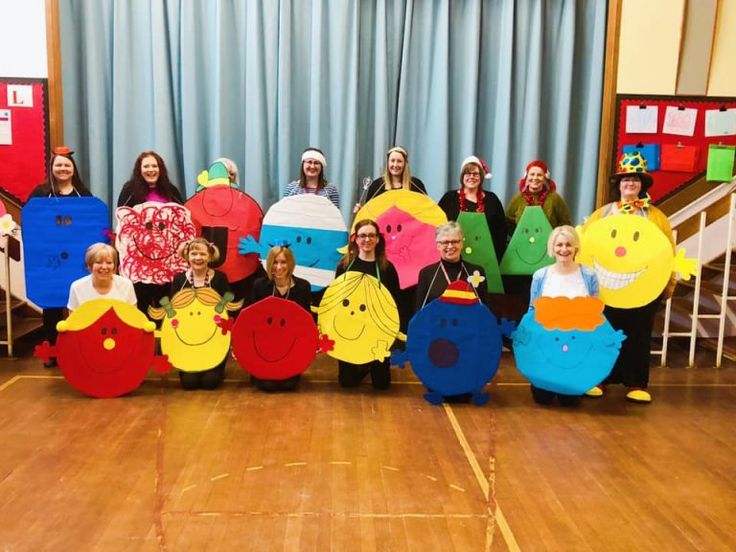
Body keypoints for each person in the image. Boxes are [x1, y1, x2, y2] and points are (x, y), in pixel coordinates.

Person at [583, 152, 675, 404]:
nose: (630, 184)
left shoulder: (655, 216)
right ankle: (599, 378)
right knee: (602, 332)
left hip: (642, 287)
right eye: (625, 179)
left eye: (635, 179)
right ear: (619, 185)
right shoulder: (602, 214)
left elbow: (668, 252)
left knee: (638, 334)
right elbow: (585, 248)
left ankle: (636, 382)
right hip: (606, 287)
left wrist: (668, 284)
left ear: (642, 184)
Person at [28, 146, 93, 368]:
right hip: (51, 259)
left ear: (73, 169)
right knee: (52, 305)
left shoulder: (83, 194)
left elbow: (91, 223)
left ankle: (80, 347)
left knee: (80, 302)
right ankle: (53, 350)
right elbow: (31, 222)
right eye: (59, 165)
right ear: (52, 168)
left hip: (77, 258)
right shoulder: (40, 193)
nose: (63, 169)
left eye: (67, 165)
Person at [527, 226, 599, 407]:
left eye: (568, 244)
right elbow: (532, 309)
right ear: (552, 247)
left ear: (576, 248)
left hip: (576, 342)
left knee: (569, 401)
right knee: (542, 399)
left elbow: (595, 310)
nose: (564, 249)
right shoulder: (540, 276)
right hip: (547, 342)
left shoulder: (589, 275)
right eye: (559, 245)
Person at [334, 219, 401, 390]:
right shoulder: (345, 266)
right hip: (350, 327)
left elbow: (394, 302)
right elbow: (336, 298)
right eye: (363, 235)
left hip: (377, 330)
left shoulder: (387, 268)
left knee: (381, 385)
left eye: (372, 235)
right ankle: (363, 366)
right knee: (347, 382)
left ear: (378, 239)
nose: (367, 240)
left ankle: (372, 364)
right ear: (355, 239)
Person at [168, 238, 241, 390]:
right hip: (187, 340)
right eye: (194, 253)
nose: (198, 258)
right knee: (189, 383)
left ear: (210, 256)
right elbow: (173, 311)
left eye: (203, 253)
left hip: (214, 338)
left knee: (210, 382)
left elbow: (230, 306)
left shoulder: (220, 278)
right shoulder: (179, 279)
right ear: (187, 256)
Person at [117, 151, 184, 316]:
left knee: (166, 304)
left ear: (160, 169)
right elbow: (123, 220)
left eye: (154, 166)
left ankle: (164, 339)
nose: (151, 169)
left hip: (167, 262)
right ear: (139, 170)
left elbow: (182, 220)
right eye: (146, 166)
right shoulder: (129, 190)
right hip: (139, 262)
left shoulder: (171, 190)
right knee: (142, 304)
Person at [249, 244, 311, 391]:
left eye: (283, 262)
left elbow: (306, 320)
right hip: (264, 346)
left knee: (288, 385)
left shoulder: (303, 287)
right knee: (267, 386)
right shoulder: (259, 285)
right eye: (275, 262)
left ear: (290, 263)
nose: (279, 267)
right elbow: (250, 318)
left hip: (290, 346)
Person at [438, 155, 507, 263]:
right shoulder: (449, 198)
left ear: (481, 177)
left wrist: (496, 257)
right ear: (462, 176)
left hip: (486, 259)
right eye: (468, 173)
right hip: (455, 258)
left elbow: (501, 231)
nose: (471, 177)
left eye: (475, 174)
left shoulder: (492, 199)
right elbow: (439, 226)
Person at [415, 222, 488, 310]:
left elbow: (484, 310)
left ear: (461, 244)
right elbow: (419, 312)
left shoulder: (476, 272)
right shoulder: (426, 273)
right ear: (438, 245)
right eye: (445, 242)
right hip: (437, 323)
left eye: (454, 241)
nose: (450, 246)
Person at [505, 159, 572, 236]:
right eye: (532, 174)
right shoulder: (518, 198)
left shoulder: (554, 198)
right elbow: (508, 221)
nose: (535, 178)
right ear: (527, 176)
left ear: (545, 178)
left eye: (539, 175)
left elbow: (565, 223)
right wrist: (518, 237)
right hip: (524, 244)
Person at [353, 146, 426, 212]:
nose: (395, 165)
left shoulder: (416, 184)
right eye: (392, 160)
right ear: (388, 163)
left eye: (399, 161)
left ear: (405, 164)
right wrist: (361, 212)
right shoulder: (376, 185)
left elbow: (426, 210)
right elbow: (370, 214)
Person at [68, 243, 137, 311]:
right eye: (98, 262)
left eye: (109, 262)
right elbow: (73, 319)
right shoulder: (76, 287)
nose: (104, 267)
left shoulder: (127, 285)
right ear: (89, 265)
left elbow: (134, 317)